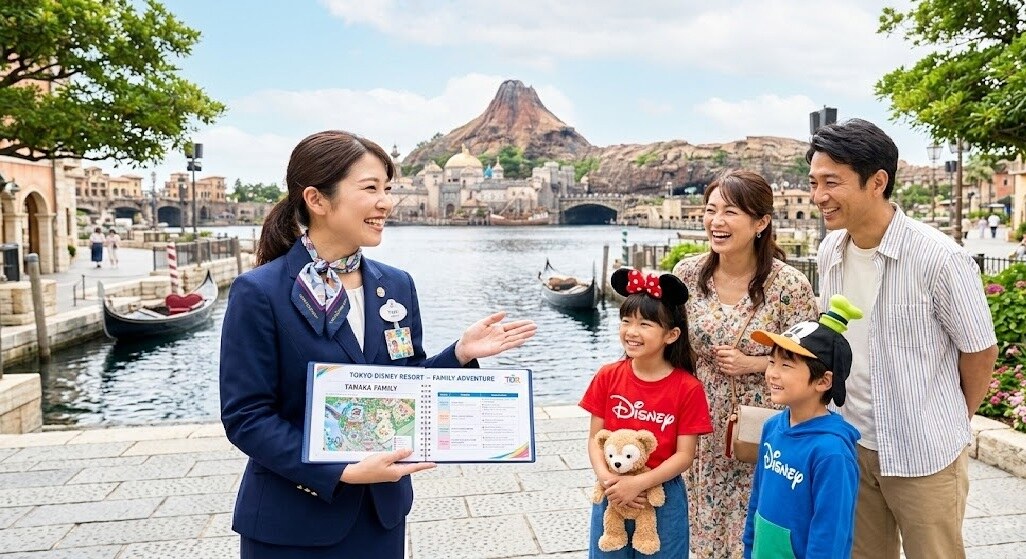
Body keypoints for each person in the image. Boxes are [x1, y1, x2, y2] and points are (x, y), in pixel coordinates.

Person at [219, 130, 537, 559]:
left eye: (387, 189)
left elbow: (404, 388)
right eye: (370, 188)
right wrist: (342, 470)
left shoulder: (396, 285)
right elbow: (247, 416)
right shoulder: (260, 291)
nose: (386, 202)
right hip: (294, 522)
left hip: (380, 519)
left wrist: (461, 353)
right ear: (316, 199)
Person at [808, 118, 997, 559]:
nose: (819, 196)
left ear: (877, 182)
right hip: (851, 443)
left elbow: (980, 349)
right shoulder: (829, 253)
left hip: (923, 453)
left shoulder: (940, 258)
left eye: (831, 182)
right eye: (814, 182)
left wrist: (951, 417)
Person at [672, 170, 819, 559]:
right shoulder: (687, 274)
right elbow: (669, 344)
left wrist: (753, 363)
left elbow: (811, 360)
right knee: (699, 522)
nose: (716, 222)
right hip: (698, 424)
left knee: (757, 526)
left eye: (730, 212)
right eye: (710, 210)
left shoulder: (789, 286)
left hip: (762, 423)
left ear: (761, 222)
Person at [580, 267, 713, 558]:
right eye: (626, 321)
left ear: (671, 334)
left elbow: (684, 455)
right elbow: (595, 439)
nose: (631, 331)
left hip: (661, 493)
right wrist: (610, 481)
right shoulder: (607, 376)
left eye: (645, 324)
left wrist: (639, 483)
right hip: (611, 490)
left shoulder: (687, 388)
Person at [742, 294, 863, 559]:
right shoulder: (772, 427)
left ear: (823, 381)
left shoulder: (832, 452)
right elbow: (758, 500)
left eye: (786, 365)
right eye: (772, 361)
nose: (772, 372)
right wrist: (749, 548)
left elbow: (831, 532)